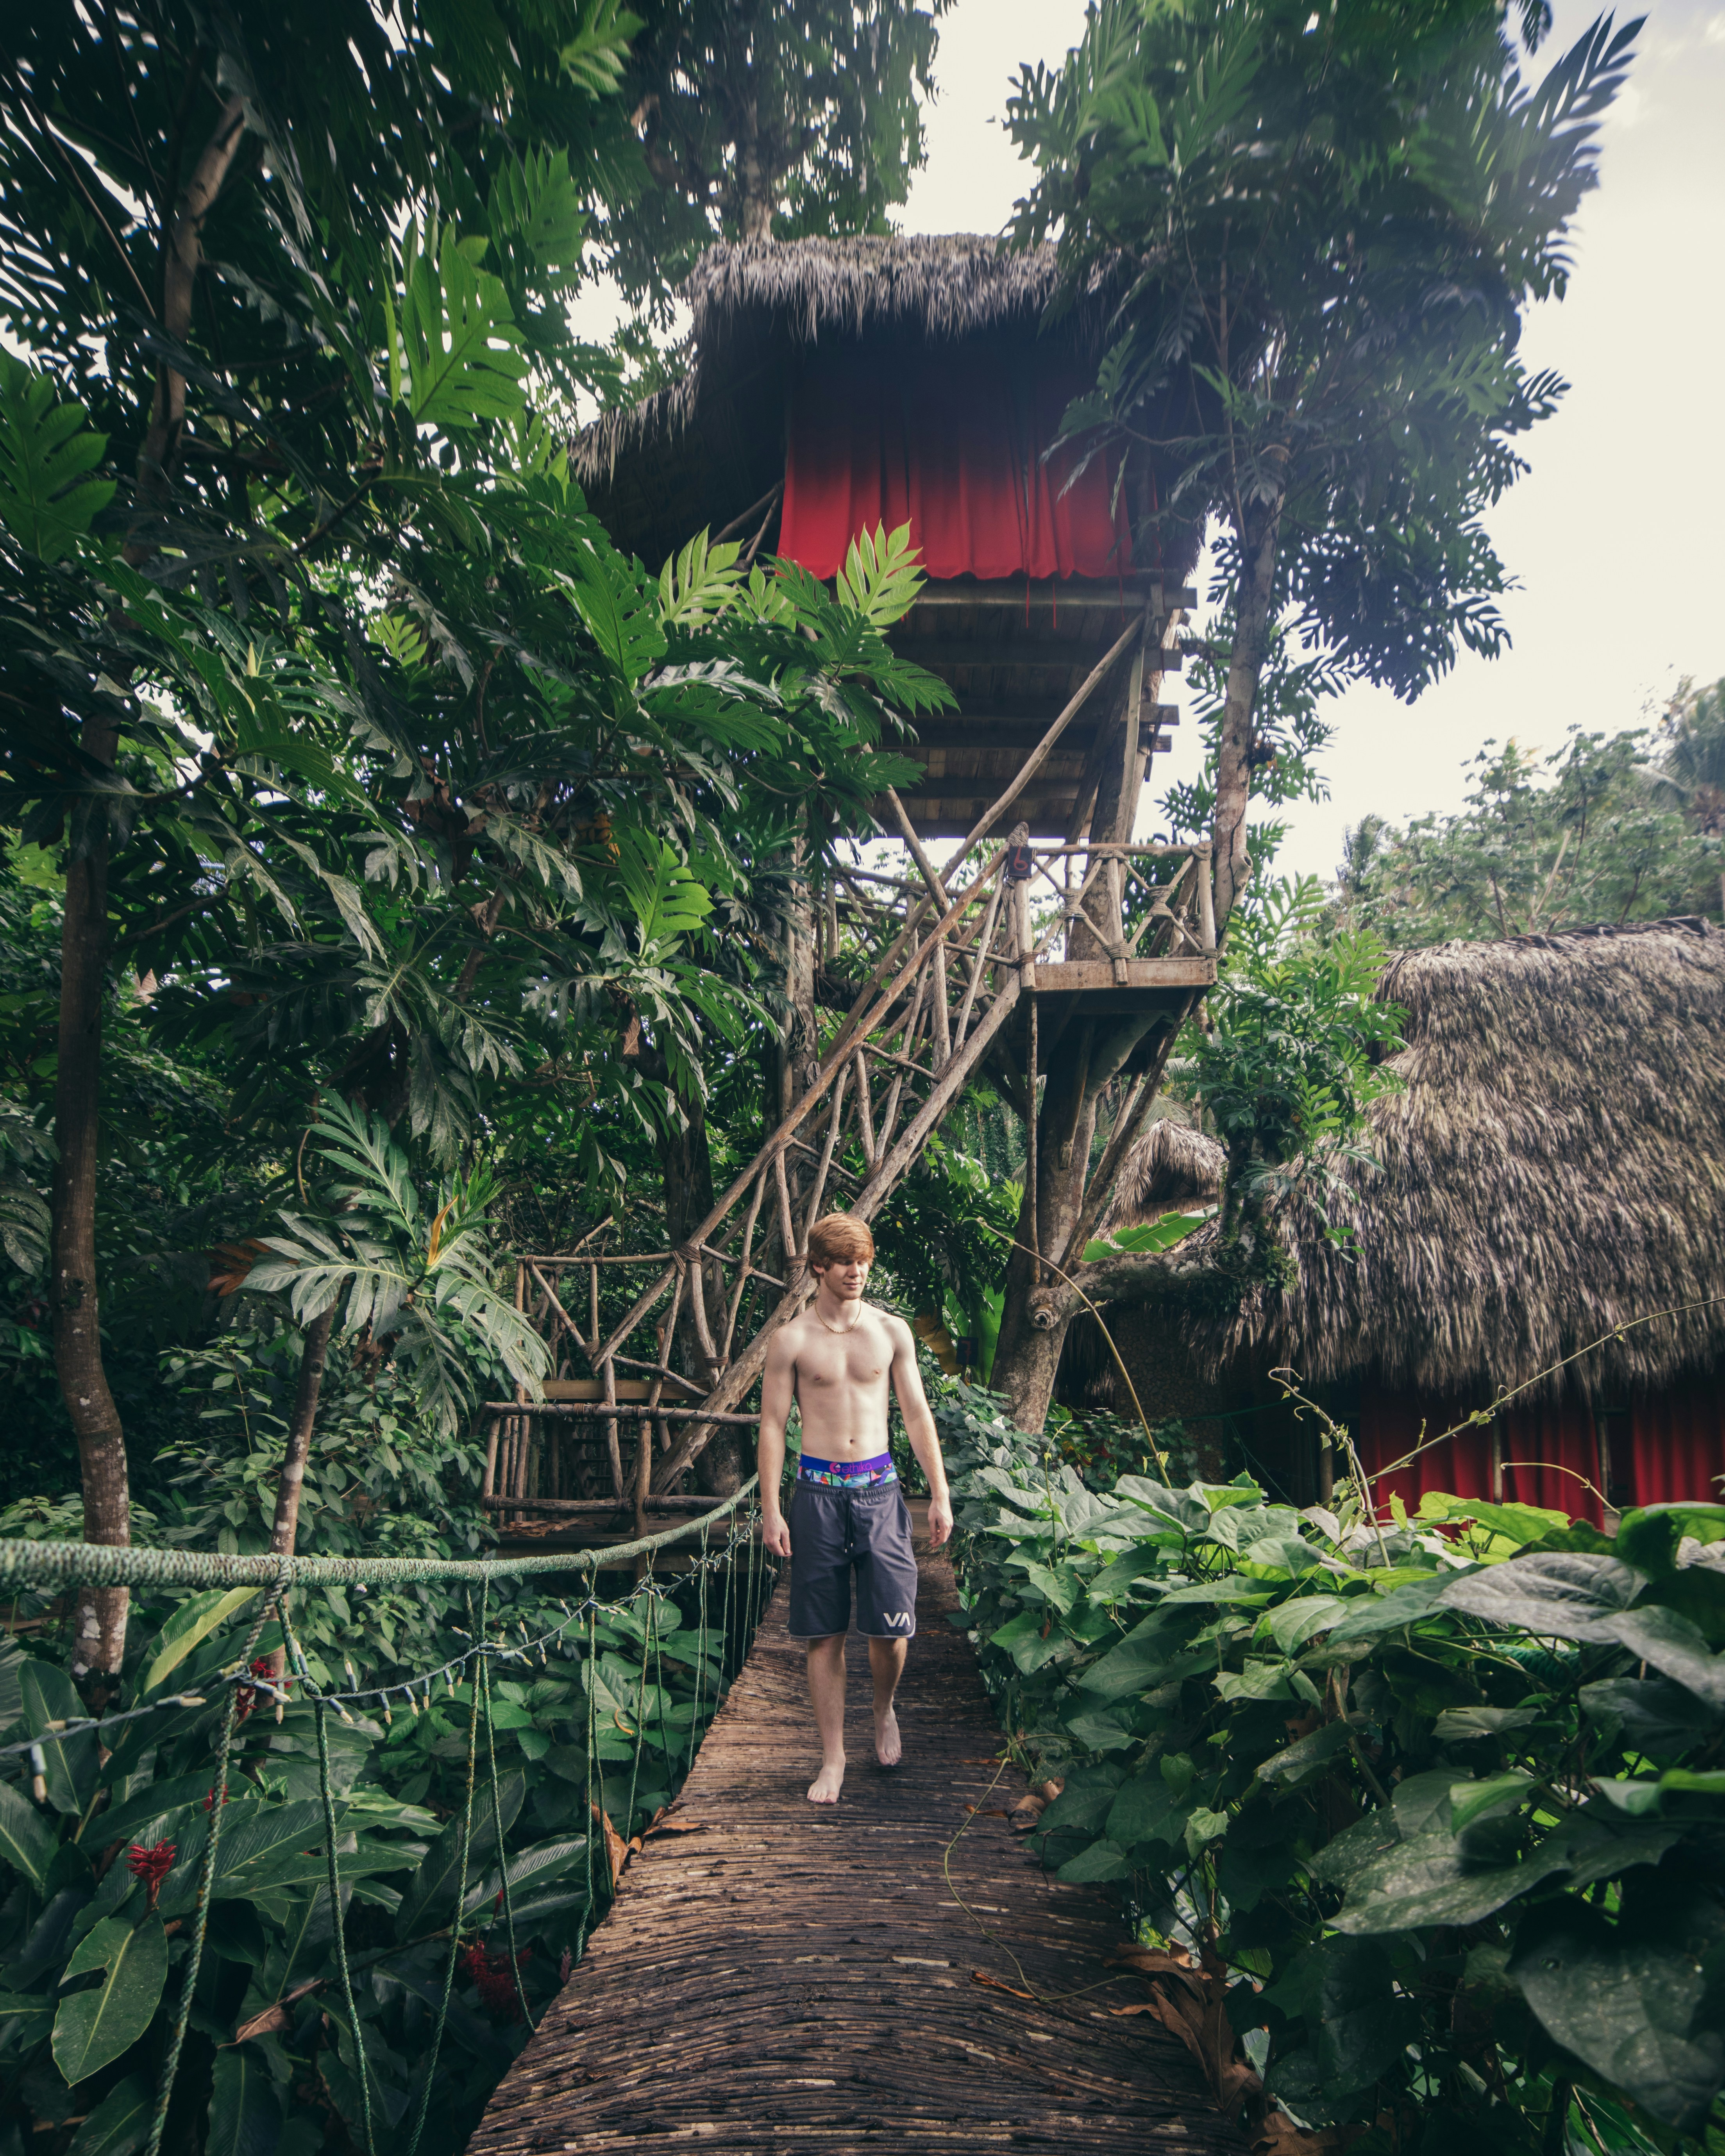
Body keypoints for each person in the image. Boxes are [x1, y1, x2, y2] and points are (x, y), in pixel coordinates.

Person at [758, 1213, 954, 1804]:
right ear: (819, 1265)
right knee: (825, 1633)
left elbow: (917, 1415)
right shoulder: (791, 1339)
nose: (857, 1271)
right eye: (845, 1262)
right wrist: (771, 1508)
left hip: (880, 1491)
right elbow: (771, 1426)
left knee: (892, 1627)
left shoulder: (891, 1333)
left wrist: (939, 1492)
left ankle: (885, 1707)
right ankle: (834, 1757)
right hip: (816, 1494)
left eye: (864, 1261)